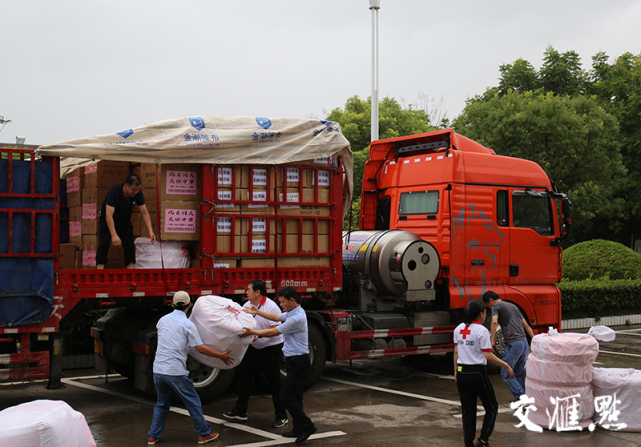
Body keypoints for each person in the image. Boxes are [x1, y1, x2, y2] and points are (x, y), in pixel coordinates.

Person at [147, 291, 234, 446]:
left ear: (172, 304)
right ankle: (203, 433)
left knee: (161, 403)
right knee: (193, 401)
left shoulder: (162, 320)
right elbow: (200, 348)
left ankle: (153, 436)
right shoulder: (187, 324)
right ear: (189, 305)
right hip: (175, 371)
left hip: (158, 370)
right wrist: (220, 355)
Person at [240, 286, 317, 444]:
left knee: (286, 397)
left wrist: (252, 332)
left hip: (299, 362)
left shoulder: (297, 318)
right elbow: (276, 316)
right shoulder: (292, 312)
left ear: (292, 300)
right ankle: (298, 428)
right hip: (293, 361)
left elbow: (272, 332)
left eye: (282, 302)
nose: (280, 304)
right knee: (296, 397)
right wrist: (257, 312)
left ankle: (307, 425)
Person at [223, 280, 288, 428]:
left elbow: (276, 331)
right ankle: (241, 410)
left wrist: (259, 335)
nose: (246, 292)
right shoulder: (247, 306)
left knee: (274, 383)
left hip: (270, 348)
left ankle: (282, 416)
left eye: (249, 289)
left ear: (257, 292)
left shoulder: (272, 307)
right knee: (244, 378)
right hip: (252, 348)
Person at [454, 300, 514, 447]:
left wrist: (455, 370)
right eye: (485, 313)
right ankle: (483, 440)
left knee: (468, 410)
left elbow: (456, 351)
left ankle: (468, 442)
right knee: (492, 406)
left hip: (462, 371)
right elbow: (487, 355)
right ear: (481, 314)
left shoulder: (458, 328)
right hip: (477, 373)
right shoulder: (481, 331)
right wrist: (506, 365)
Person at [482, 290, 534, 402]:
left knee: (506, 372)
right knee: (517, 373)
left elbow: (494, 322)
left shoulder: (496, 306)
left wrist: (492, 340)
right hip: (524, 343)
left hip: (513, 344)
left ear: (491, 301)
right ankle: (522, 399)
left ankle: (522, 399)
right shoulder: (513, 306)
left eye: (488, 306)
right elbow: (526, 325)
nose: (490, 308)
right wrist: (534, 340)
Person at [97, 174, 155, 269]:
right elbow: (108, 215)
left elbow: (144, 213)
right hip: (108, 217)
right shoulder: (114, 191)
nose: (135, 192)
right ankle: (99, 269)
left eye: (138, 189)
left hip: (123, 217)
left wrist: (150, 231)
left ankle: (130, 269)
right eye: (133, 189)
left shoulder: (138, 193)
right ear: (126, 186)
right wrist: (114, 235)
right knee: (104, 243)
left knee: (129, 244)